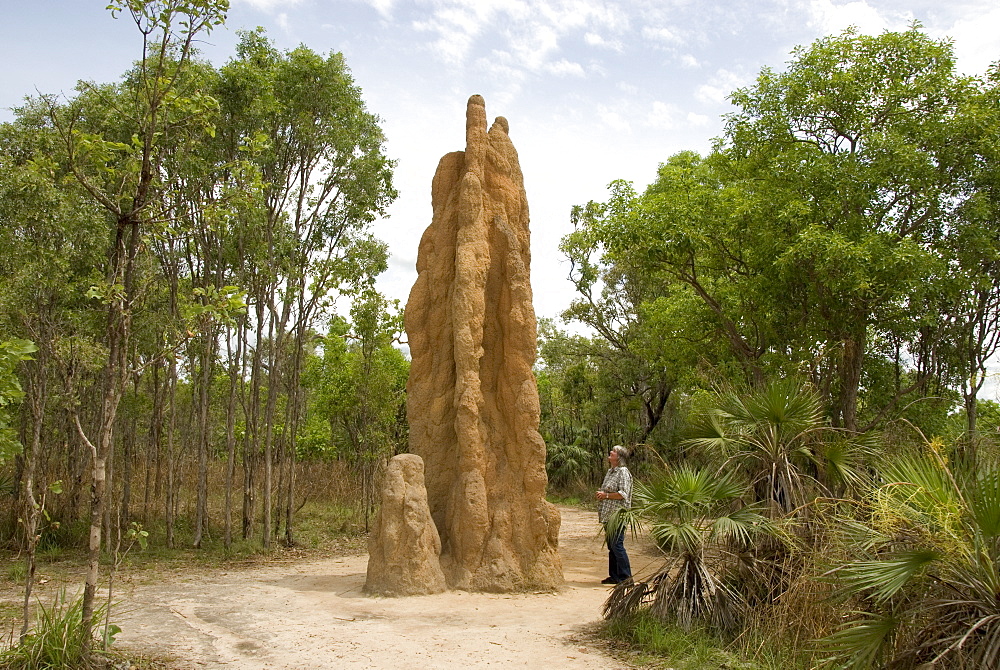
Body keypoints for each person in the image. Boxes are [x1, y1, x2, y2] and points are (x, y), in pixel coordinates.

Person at [595, 444, 632, 584]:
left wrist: (606, 496)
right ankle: (615, 576)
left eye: (614, 451)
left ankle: (626, 578)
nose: (611, 452)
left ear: (619, 457)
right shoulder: (611, 471)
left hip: (618, 515)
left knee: (617, 545)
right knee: (612, 546)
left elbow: (624, 494)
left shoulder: (623, 472)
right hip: (608, 514)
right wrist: (602, 495)